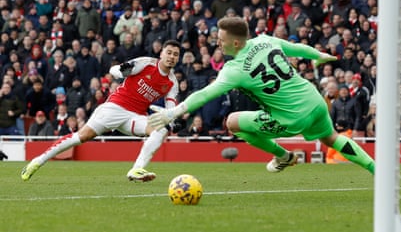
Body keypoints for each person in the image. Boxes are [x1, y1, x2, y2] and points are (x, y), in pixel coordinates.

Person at [148, 17, 375, 175]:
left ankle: (283, 156)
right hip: (314, 100)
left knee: (233, 122)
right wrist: (319, 54)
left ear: (235, 43)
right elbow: (297, 49)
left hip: (292, 117)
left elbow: (205, 94)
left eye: (221, 38)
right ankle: (376, 170)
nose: (217, 41)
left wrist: (174, 112)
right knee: (331, 138)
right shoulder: (265, 39)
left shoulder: (234, 70)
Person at [21, 40, 183, 182]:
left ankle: (136, 169)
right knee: (81, 137)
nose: (171, 57)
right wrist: (122, 71)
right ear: (161, 53)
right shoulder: (146, 63)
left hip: (135, 117)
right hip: (114, 108)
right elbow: (114, 71)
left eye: (175, 54)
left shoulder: (172, 83)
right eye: (168, 52)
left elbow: (170, 108)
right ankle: (38, 161)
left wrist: (174, 121)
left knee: (161, 130)